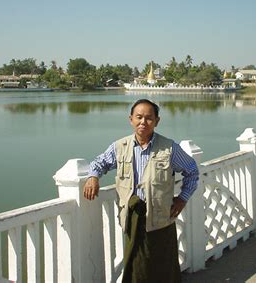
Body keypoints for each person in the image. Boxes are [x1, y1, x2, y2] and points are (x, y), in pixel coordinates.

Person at [83, 98, 199, 283]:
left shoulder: (169, 148)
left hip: (161, 217)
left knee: (164, 265)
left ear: (157, 121)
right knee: (136, 265)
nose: (143, 122)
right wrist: (92, 177)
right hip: (133, 217)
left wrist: (182, 199)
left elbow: (192, 171)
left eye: (149, 118)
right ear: (131, 119)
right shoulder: (120, 147)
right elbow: (100, 162)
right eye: (138, 117)